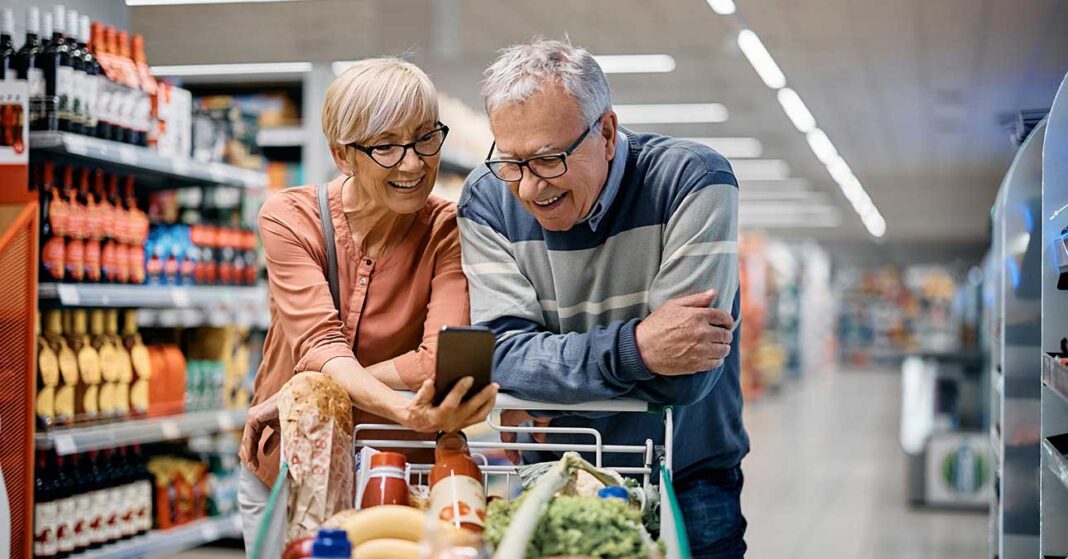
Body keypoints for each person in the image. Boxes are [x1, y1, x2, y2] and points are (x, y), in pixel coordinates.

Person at [458, 40, 747, 557]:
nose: (527, 188)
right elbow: (498, 355)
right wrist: (637, 347)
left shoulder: (692, 181)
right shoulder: (487, 198)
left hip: (686, 479)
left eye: (548, 159)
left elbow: (686, 377)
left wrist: (547, 372)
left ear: (607, 133)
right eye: (512, 162)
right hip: (551, 476)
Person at [238, 58, 498, 557]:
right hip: (289, 468)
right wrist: (401, 406)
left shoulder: (450, 230)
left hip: (399, 484)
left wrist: (303, 392)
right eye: (386, 146)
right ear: (343, 155)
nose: (414, 163)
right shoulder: (291, 218)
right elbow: (321, 346)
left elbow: (434, 360)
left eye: (426, 138)